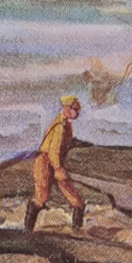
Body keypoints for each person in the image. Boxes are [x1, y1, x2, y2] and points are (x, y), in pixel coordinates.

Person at [25, 93, 85, 233]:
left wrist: (59, 167)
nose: (78, 112)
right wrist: (58, 169)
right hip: (44, 162)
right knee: (41, 197)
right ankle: (27, 231)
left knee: (76, 200)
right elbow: (54, 151)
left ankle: (77, 231)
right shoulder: (60, 127)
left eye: (78, 110)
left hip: (55, 162)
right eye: (75, 109)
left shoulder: (66, 126)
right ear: (66, 108)